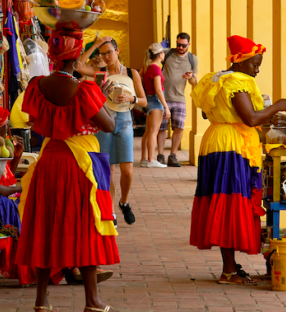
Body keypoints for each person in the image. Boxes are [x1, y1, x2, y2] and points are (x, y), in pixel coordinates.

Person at [16, 25, 119, 312]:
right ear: (76, 60)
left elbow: (28, 117)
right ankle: (92, 301)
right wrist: (103, 96)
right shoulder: (84, 89)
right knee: (84, 227)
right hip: (78, 165)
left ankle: (41, 301)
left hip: (48, 161)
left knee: (44, 227)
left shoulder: (38, 85)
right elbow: (108, 126)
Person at [190, 35, 286, 286]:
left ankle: (230, 267)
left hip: (216, 140)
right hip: (231, 146)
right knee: (231, 203)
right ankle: (228, 271)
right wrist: (277, 106)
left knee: (224, 201)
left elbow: (206, 112)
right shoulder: (237, 82)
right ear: (240, 61)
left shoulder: (216, 78)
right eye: (254, 64)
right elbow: (251, 119)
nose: (257, 69)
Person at [76, 36, 147, 226]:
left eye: (109, 52)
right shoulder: (100, 73)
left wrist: (132, 99)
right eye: (102, 53)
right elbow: (78, 66)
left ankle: (124, 202)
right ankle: (110, 211)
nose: (106, 56)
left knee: (128, 171)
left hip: (124, 121)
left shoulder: (132, 73)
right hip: (105, 120)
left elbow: (144, 101)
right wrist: (95, 45)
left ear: (117, 51)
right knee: (108, 170)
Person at [157, 32, 198, 167]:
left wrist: (190, 77)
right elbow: (154, 62)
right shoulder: (167, 53)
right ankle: (160, 155)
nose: (180, 47)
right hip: (163, 96)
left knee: (179, 128)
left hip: (179, 98)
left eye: (183, 45)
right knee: (161, 128)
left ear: (188, 45)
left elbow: (195, 82)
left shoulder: (192, 59)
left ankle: (172, 155)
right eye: (178, 44)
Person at [140, 43, 171, 168]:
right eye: (163, 53)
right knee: (154, 132)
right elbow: (158, 89)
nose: (164, 55)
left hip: (149, 99)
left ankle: (144, 159)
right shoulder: (156, 69)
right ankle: (151, 160)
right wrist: (166, 107)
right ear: (159, 55)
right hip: (156, 100)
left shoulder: (146, 67)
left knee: (147, 132)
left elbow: (140, 77)